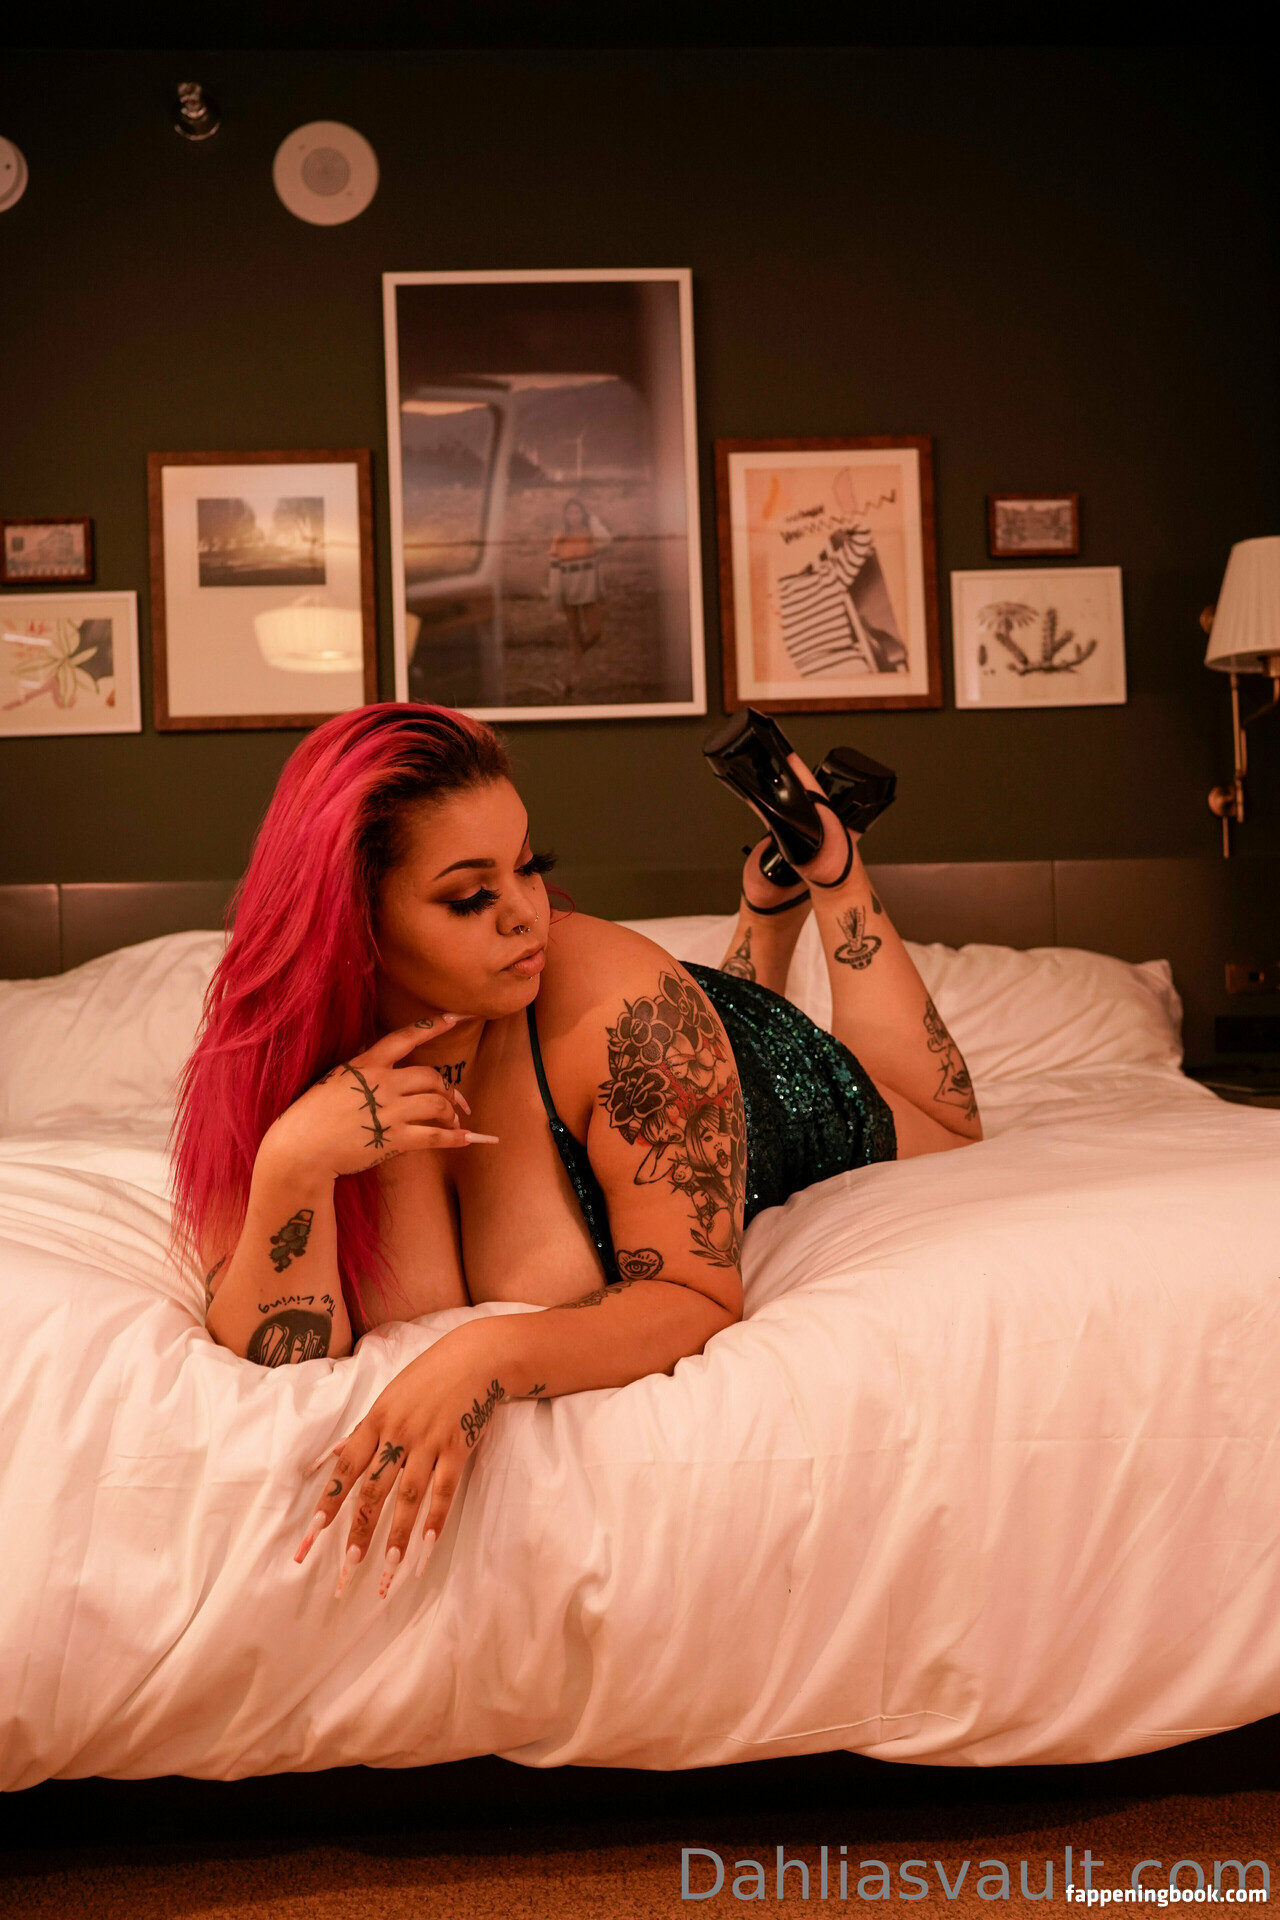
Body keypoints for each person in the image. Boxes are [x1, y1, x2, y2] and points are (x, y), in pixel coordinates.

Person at [175, 703, 979, 1598]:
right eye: (471, 897)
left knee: (942, 1124)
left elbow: (696, 1295)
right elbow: (271, 1354)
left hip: (725, 1069)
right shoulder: (265, 1062)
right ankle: (766, 906)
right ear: (348, 920)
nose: (528, 915)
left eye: (531, 866)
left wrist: (486, 1357)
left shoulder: (630, 1009)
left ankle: (825, 867)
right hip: (639, 1069)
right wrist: (293, 1164)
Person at [548, 497, 609, 694]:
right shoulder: (559, 538)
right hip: (568, 591)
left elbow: (607, 540)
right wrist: (556, 594)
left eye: (577, 512)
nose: (573, 516)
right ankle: (577, 673)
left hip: (588, 590)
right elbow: (554, 569)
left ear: (583, 514)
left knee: (595, 632)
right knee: (574, 633)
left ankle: (578, 654)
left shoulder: (591, 534)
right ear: (565, 516)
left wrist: (593, 521)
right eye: (570, 512)